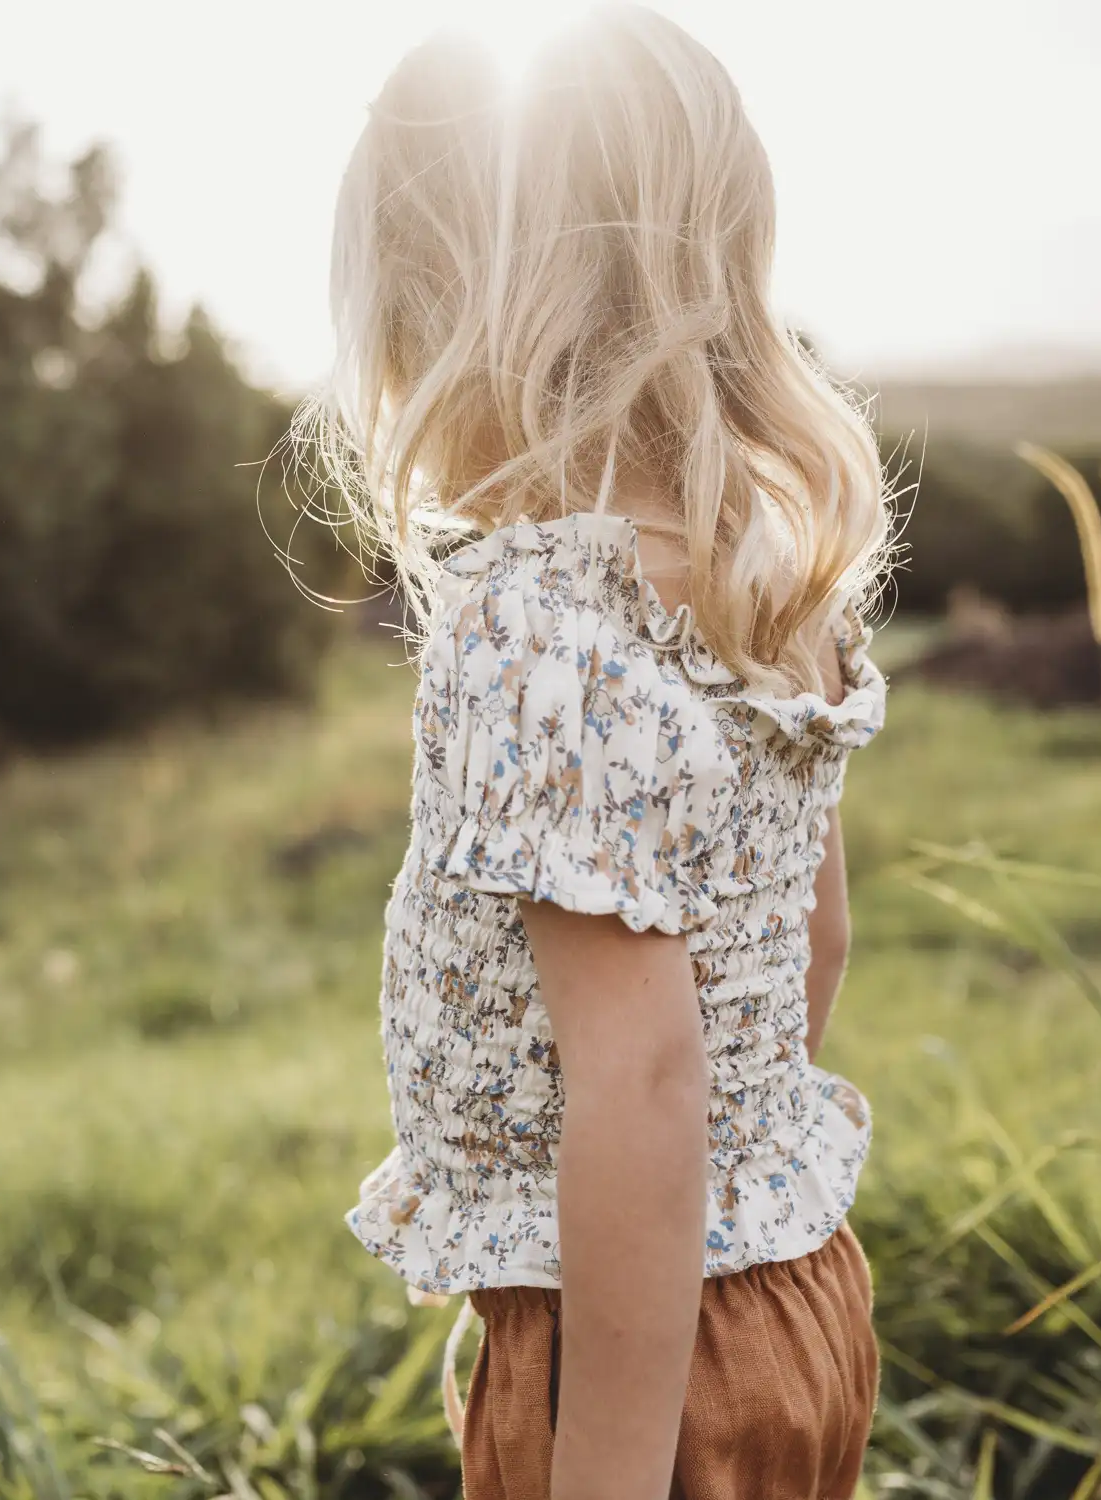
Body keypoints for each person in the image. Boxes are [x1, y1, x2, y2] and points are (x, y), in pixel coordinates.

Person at [310, 8, 895, 1497]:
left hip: (636, 1356)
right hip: (796, 1295)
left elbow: (638, 1080)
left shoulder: (531, 620)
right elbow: (813, 943)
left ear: (427, 300)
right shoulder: (758, 567)